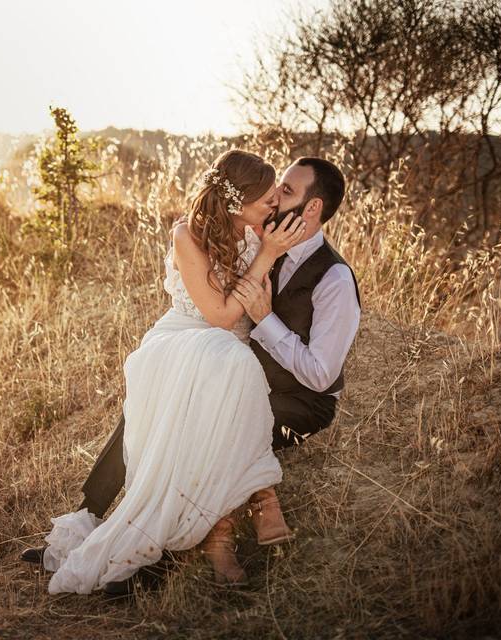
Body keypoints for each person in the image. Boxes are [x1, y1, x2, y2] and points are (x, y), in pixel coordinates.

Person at [22, 156, 362, 596]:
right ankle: (86, 520)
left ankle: (151, 564)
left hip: (298, 398)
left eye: (287, 192)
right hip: (230, 365)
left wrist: (267, 320)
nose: (276, 198)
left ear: (312, 209)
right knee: (158, 402)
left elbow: (319, 376)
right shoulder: (262, 234)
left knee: (195, 429)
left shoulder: (333, 278)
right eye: (274, 190)